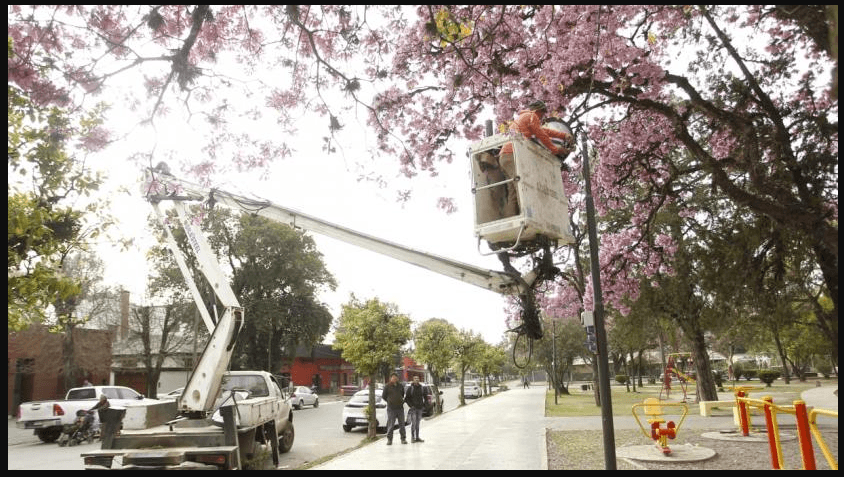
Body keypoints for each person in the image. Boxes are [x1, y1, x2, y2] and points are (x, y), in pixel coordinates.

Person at [496, 100, 574, 217]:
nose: (542, 117)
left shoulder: (524, 118)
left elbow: (542, 131)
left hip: (505, 156)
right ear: (538, 110)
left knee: (513, 190)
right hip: (512, 154)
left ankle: (513, 218)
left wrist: (563, 135)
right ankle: (523, 216)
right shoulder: (532, 116)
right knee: (520, 186)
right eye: (542, 114)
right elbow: (541, 134)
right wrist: (556, 149)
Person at [383, 373, 407, 445]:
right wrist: (390, 401)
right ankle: (389, 440)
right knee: (391, 425)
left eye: (396, 377)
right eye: (393, 378)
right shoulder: (387, 386)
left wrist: (400, 401)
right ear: (391, 378)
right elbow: (384, 396)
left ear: (397, 378)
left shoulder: (400, 386)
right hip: (391, 409)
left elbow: (402, 394)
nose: (394, 379)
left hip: (400, 408)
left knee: (402, 425)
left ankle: (403, 439)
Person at [404, 376, 426, 443]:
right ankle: (412, 438)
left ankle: (417, 437)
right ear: (413, 380)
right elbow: (406, 399)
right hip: (413, 409)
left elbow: (425, 396)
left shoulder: (421, 388)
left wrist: (424, 405)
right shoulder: (410, 388)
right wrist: (411, 406)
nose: (417, 380)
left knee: (418, 423)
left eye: (418, 379)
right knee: (413, 423)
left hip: (420, 408)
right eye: (415, 379)